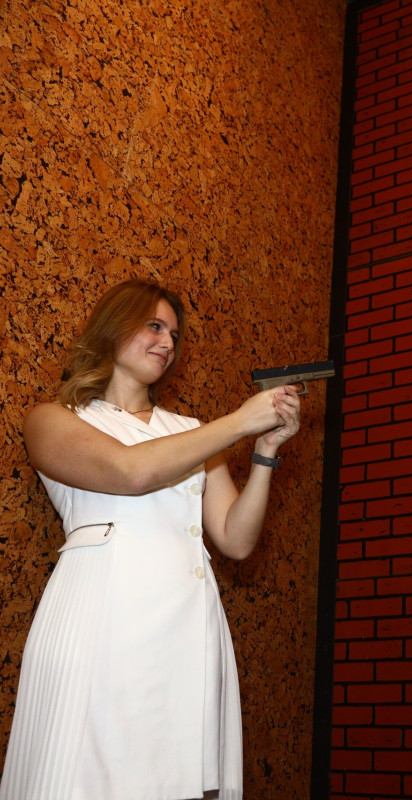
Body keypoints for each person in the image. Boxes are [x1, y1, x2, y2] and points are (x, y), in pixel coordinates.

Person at [0, 279, 301, 800]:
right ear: (113, 329)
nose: (167, 342)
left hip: (185, 630)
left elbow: (235, 539)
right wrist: (238, 422)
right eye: (155, 326)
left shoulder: (190, 430)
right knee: (87, 772)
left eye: (175, 335)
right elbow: (131, 471)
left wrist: (265, 450)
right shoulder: (53, 420)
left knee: (176, 778)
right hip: (103, 623)